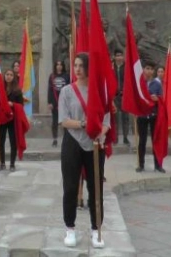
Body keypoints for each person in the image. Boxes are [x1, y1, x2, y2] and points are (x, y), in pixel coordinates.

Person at [58, 53, 109, 249]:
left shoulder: (98, 92)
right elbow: (64, 120)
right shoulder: (67, 91)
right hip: (72, 142)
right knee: (70, 187)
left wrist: (99, 133)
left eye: (81, 65)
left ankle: (96, 229)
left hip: (94, 143)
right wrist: (82, 124)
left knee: (95, 188)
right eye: (75, 65)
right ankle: (70, 228)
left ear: (89, 68)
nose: (77, 69)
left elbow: (106, 121)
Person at [135, 61, 164, 173]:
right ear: (143, 69)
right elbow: (136, 98)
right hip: (142, 115)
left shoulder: (157, 84)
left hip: (153, 115)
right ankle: (141, 165)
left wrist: (157, 99)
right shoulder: (139, 82)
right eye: (147, 68)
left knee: (155, 140)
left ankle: (158, 165)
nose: (149, 71)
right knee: (142, 140)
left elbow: (161, 98)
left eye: (151, 69)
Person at [0, 69, 22, 172]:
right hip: (2, 118)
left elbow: (21, 105)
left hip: (13, 119)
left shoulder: (17, 90)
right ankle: (2, 163)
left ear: (14, 77)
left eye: (11, 75)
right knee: (1, 141)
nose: (8, 76)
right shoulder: (0, 89)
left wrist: (13, 104)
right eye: (7, 74)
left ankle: (12, 164)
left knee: (13, 141)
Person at [48, 60, 69, 147]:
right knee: (55, 121)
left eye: (61, 65)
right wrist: (49, 102)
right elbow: (50, 90)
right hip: (55, 102)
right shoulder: (52, 76)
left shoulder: (67, 76)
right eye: (57, 64)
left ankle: (66, 138)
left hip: (65, 102)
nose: (59, 66)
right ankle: (55, 139)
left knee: (65, 120)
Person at [112, 50, 130, 145]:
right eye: (117, 55)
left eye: (120, 55)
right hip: (114, 96)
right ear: (114, 57)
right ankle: (115, 138)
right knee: (115, 118)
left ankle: (126, 137)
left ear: (123, 57)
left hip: (124, 95)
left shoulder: (126, 67)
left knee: (125, 117)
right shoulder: (111, 67)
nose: (119, 57)